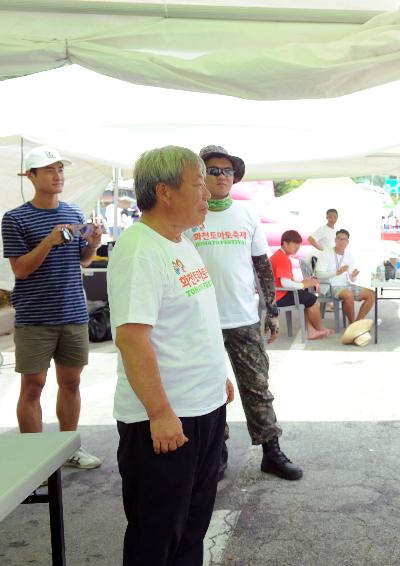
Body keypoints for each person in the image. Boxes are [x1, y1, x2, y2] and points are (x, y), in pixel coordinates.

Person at [108, 145, 235, 565]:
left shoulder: (179, 241)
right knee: (157, 535)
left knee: (192, 528)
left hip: (203, 407)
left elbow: (190, 321)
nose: (208, 195)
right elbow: (132, 338)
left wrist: (218, 374)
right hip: (166, 420)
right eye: (198, 184)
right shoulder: (140, 249)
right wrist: (161, 412)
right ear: (164, 191)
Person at [186, 144, 303, 481]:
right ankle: (215, 454)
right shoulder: (190, 215)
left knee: (257, 387)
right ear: (201, 176)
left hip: (243, 318)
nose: (222, 176)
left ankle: (271, 452)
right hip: (200, 320)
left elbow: (262, 267)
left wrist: (272, 310)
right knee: (208, 390)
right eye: (213, 170)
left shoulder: (247, 215)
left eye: (227, 171)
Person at [2, 145, 103, 469]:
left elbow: (81, 260)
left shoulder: (73, 213)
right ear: (30, 176)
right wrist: (47, 241)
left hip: (73, 312)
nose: (57, 175)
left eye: (60, 169)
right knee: (33, 385)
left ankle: (68, 448)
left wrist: (93, 244)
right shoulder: (15, 218)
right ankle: (35, 459)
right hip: (34, 317)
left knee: (71, 383)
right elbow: (20, 270)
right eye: (49, 170)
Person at [269, 229, 333, 340]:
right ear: (285, 243)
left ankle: (311, 331)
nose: (297, 247)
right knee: (312, 300)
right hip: (279, 296)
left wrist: (304, 283)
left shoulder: (278, 256)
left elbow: (285, 281)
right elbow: (285, 283)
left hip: (276, 294)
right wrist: (304, 285)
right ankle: (320, 329)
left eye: (298, 245)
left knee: (306, 296)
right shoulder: (282, 258)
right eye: (295, 244)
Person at [315, 229, 376, 325]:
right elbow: (318, 274)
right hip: (329, 287)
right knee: (348, 295)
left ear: (347, 242)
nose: (342, 242)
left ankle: (357, 323)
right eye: (339, 239)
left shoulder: (349, 255)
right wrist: (336, 273)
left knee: (372, 295)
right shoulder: (325, 253)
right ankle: (352, 325)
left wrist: (353, 276)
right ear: (335, 240)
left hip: (345, 285)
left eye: (344, 240)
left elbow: (352, 279)